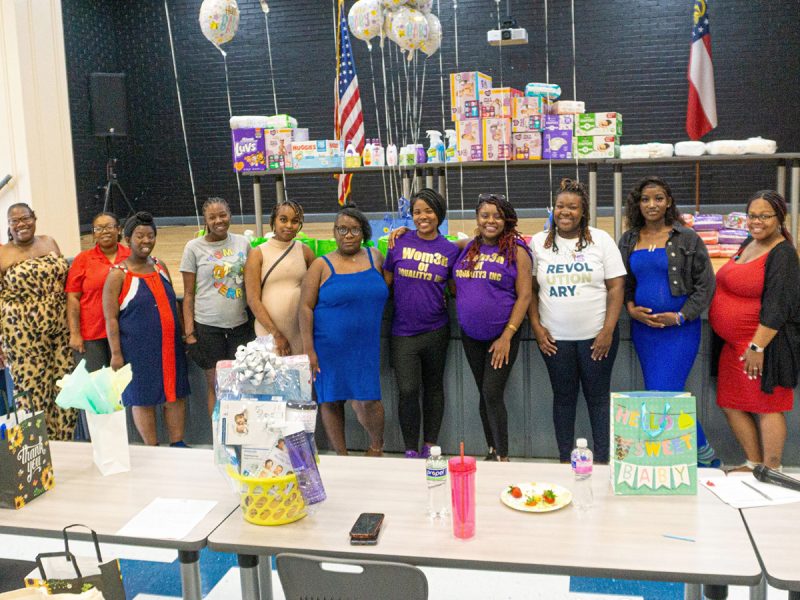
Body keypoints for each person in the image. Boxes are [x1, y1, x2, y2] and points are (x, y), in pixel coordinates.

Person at [618, 176, 719, 467]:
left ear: (669, 201)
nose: (652, 204)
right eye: (646, 199)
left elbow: (705, 285)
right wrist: (631, 308)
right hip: (644, 331)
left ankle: (705, 456)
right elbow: (622, 281)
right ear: (638, 203)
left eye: (659, 198)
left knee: (667, 394)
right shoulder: (629, 239)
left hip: (680, 332)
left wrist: (680, 316)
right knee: (658, 394)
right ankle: (678, 459)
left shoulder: (687, 237)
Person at [529, 179, 626, 463]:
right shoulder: (539, 243)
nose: (565, 211)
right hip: (555, 340)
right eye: (560, 206)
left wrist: (608, 330)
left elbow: (616, 287)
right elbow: (530, 290)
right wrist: (536, 327)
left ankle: (604, 460)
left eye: (572, 207)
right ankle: (564, 460)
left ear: (583, 211)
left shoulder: (601, 240)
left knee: (598, 398)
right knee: (563, 399)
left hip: (597, 338)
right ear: (553, 209)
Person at [709, 190, 800, 470]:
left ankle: (773, 469)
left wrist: (757, 347)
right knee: (731, 402)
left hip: (761, 344)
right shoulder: (749, 242)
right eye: (752, 215)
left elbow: (779, 306)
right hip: (733, 345)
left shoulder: (782, 253)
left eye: (765, 216)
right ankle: (753, 462)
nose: (756, 221)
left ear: (779, 218)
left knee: (767, 406)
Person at [299, 204, 388, 456]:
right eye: (341, 229)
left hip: (365, 347)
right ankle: (342, 455)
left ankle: (376, 446)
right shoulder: (320, 265)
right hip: (328, 347)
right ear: (334, 232)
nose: (347, 235)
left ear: (364, 232)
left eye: (354, 230)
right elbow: (305, 307)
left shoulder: (375, 257)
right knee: (331, 399)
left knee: (370, 399)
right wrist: (309, 350)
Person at [453, 194, 532, 461]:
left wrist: (507, 335)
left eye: (497, 216)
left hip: (502, 335)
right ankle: (492, 450)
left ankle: (504, 456)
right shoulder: (466, 246)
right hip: (470, 335)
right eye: (485, 215)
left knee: (491, 392)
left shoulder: (517, 251)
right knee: (484, 394)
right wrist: (403, 233)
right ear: (477, 218)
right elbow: (434, 247)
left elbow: (524, 296)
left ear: (507, 219)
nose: (491, 221)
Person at [383, 189, 460, 458]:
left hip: (436, 330)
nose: (422, 216)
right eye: (417, 212)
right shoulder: (398, 244)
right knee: (407, 390)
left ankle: (429, 445)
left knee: (434, 388)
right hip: (403, 333)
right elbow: (386, 285)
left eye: (428, 211)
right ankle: (409, 449)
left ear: (439, 214)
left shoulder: (450, 250)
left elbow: (453, 289)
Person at [103, 212, 190, 446]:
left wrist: (182, 335)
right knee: (143, 398)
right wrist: (116, 353)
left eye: (150, 236)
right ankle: (152, 448)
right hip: (137, 350)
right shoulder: (118, 275)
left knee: (175, 395)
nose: (146, 241)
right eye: (140, 236)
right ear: (128, 238)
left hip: (170, 346)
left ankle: (177, 443)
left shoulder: (160, 266)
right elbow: (110, 318)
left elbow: (172, 304)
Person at [0, 203, 76, 440]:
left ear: (35, 218)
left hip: (60, 330)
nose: (21, 224)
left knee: (65, 392)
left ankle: (64, 449)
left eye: (25, 218)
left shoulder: (49, 242)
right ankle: (36, 455)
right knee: (32, 394)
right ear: (9, 226)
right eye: (15, 221)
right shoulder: (3, 253)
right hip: (21, 334)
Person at [181, 198, 252, 419]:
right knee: (216, 384)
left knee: (240, 384)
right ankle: (218, 435)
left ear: (229, 214)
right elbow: (189, 294)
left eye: (222, 215)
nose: (218, 220)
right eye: (212, 217)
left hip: (239, 325)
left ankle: (239, 432)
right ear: (205, 220)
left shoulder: (243, 243)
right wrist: (190, 333)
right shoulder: (194, 248)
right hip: (208, 327)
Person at [244, 200, 315, 355]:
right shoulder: (258, 253)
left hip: (299, 335)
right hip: (268, 335)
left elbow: (316, 292)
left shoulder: (305, 252)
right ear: (273, 222)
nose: (289, 225)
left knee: (301, 379)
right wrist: (276, 334)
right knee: (271, 378)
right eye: (283, 219)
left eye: (295, 221)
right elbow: (253, 300)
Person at [66, 212, 130, 371]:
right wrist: (75, 333)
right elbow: (73, 298)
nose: (105, 231)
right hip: (92, 334)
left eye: (109, 227)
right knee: (96, 388)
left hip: (126, 332)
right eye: (99, 228)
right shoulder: (83, 259)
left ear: (119, 229)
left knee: (126, 387)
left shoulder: (131, 256)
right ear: (93, 234)